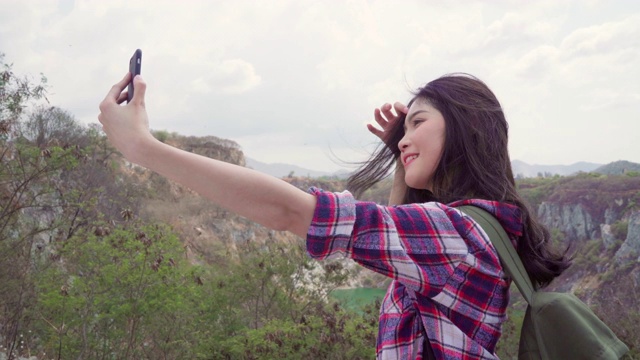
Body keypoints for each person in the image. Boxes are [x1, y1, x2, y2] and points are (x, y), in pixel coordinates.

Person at [98, 72, 570, 359]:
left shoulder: (457, 236)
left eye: (418, 122)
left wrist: (144, 147)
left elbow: (289, 210)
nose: (404, 138)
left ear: (466, 126)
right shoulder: (471, 231)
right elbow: (399, 247)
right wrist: (402, 156)